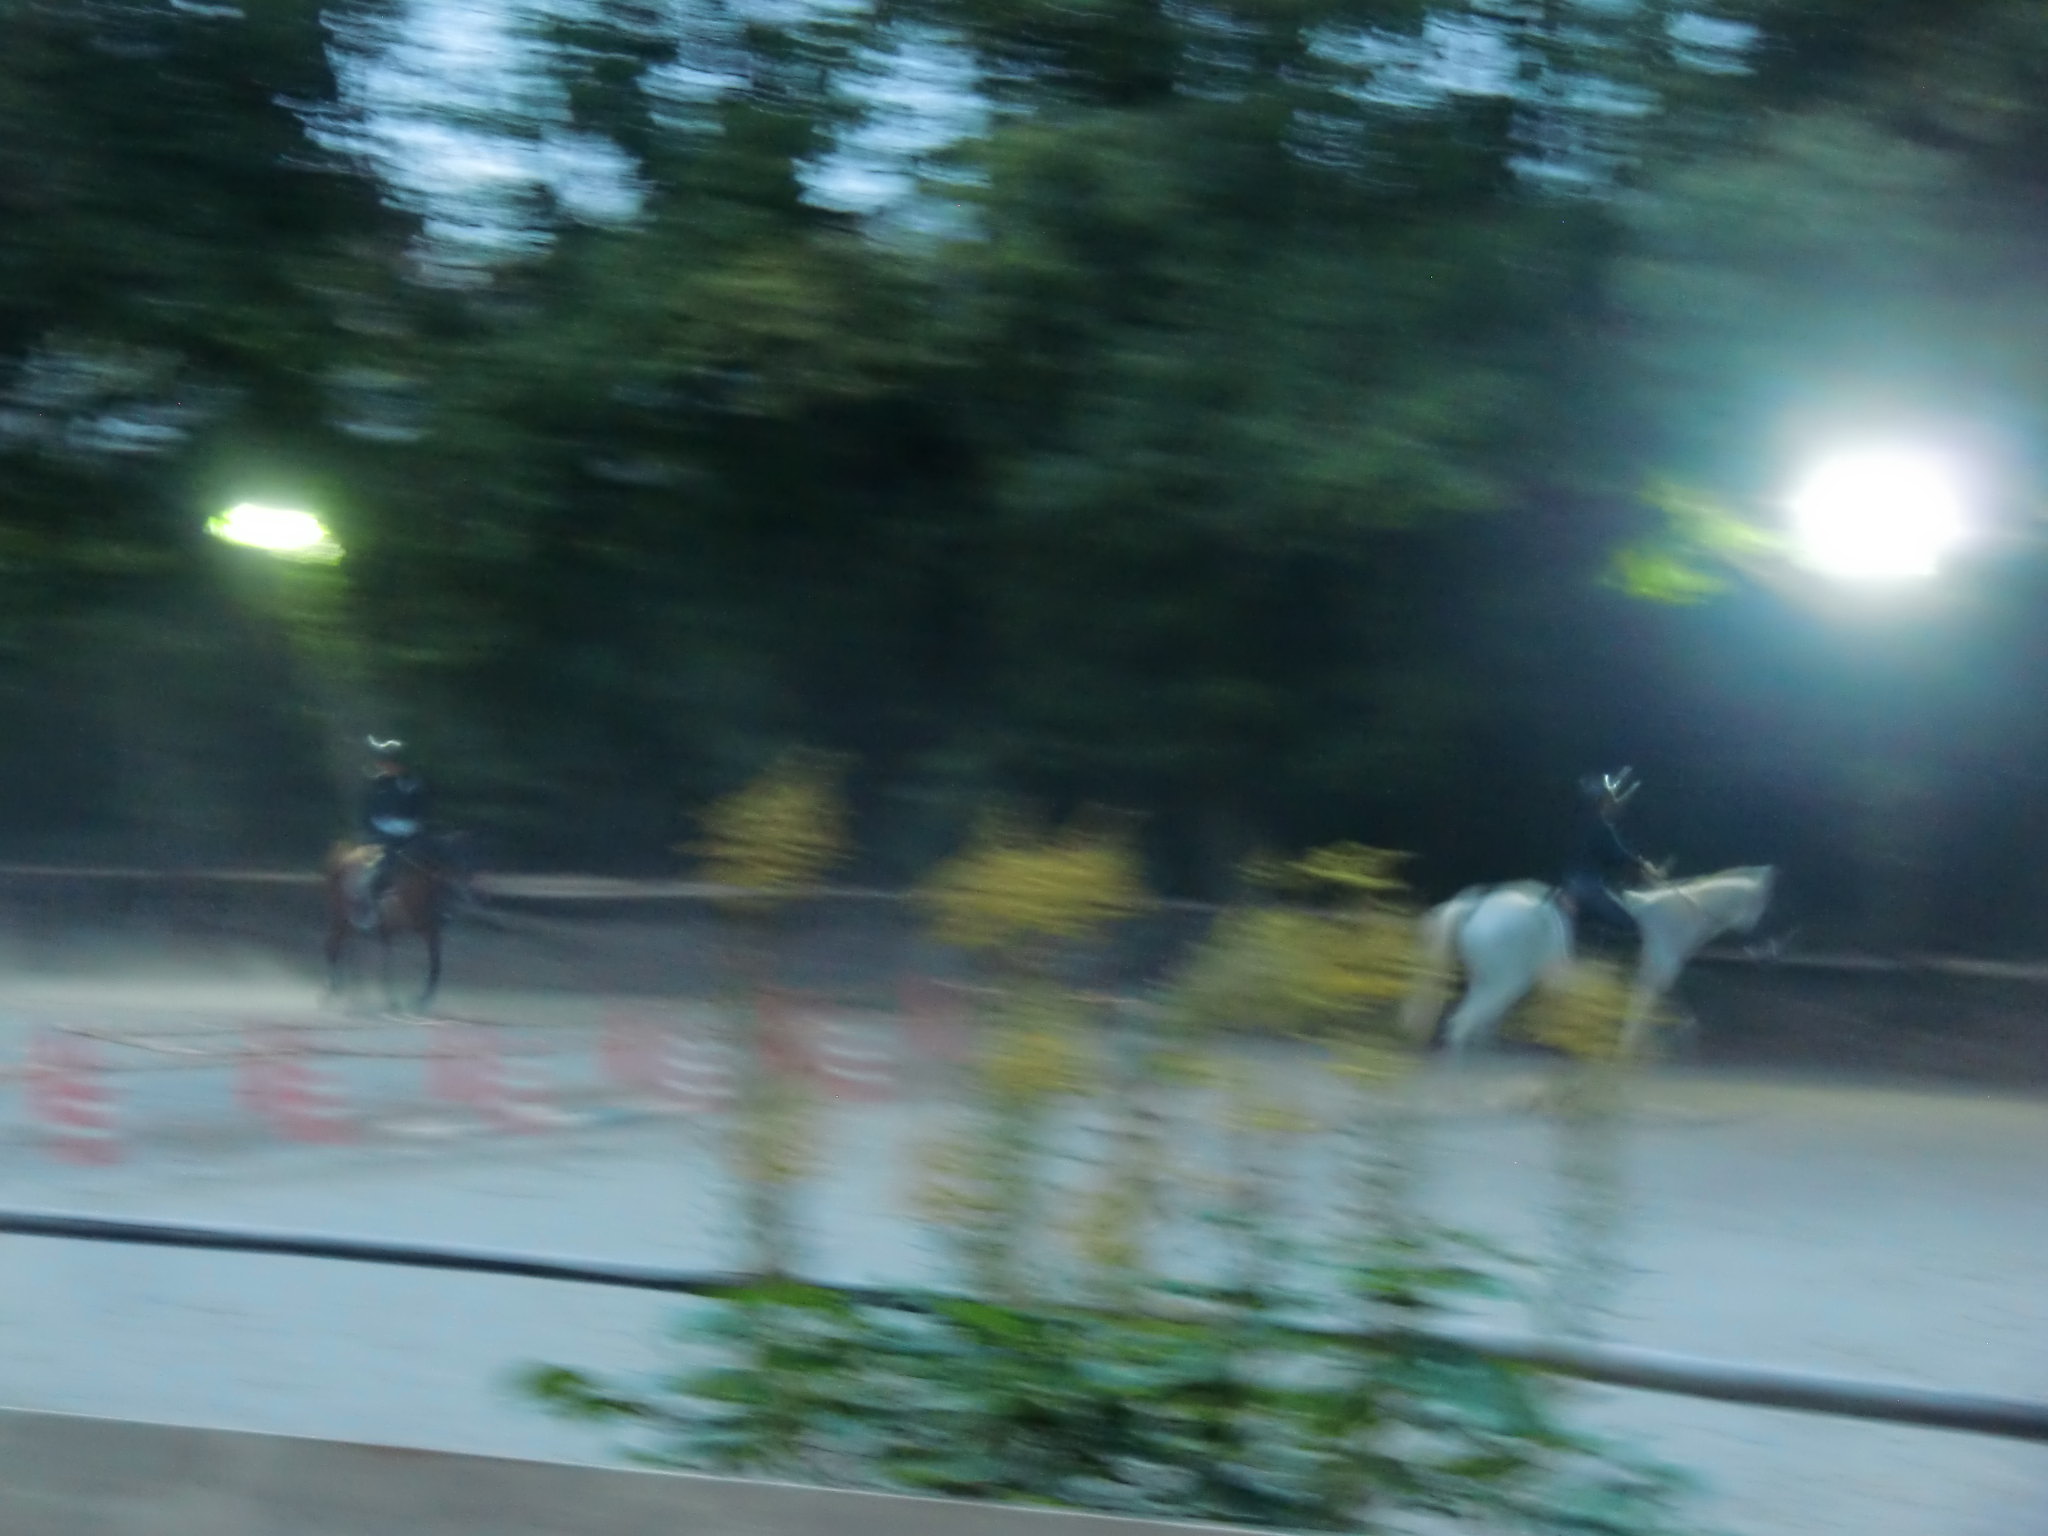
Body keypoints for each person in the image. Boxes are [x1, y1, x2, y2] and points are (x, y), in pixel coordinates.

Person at [1562, 767, 1656, 937]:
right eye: (1610, 799)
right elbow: (1619, 856)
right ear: (1601, 801)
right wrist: (1643, 865)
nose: (1614, 803)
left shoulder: (1581, 822)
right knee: (1631, 922)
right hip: (1589, 887)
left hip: (1569, 883)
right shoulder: (1602, 827)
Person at [358, 737, 430, 925]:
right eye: (383, 762)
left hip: (410, 828)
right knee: (382, 866)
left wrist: (416, 824)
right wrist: (372, 828)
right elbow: (368, 811)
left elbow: (421, 808)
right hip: (381, 829)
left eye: (387, 761)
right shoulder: (378, 784)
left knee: (433, 858)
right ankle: (369, 907)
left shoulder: (414, 783)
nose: (383, 765)